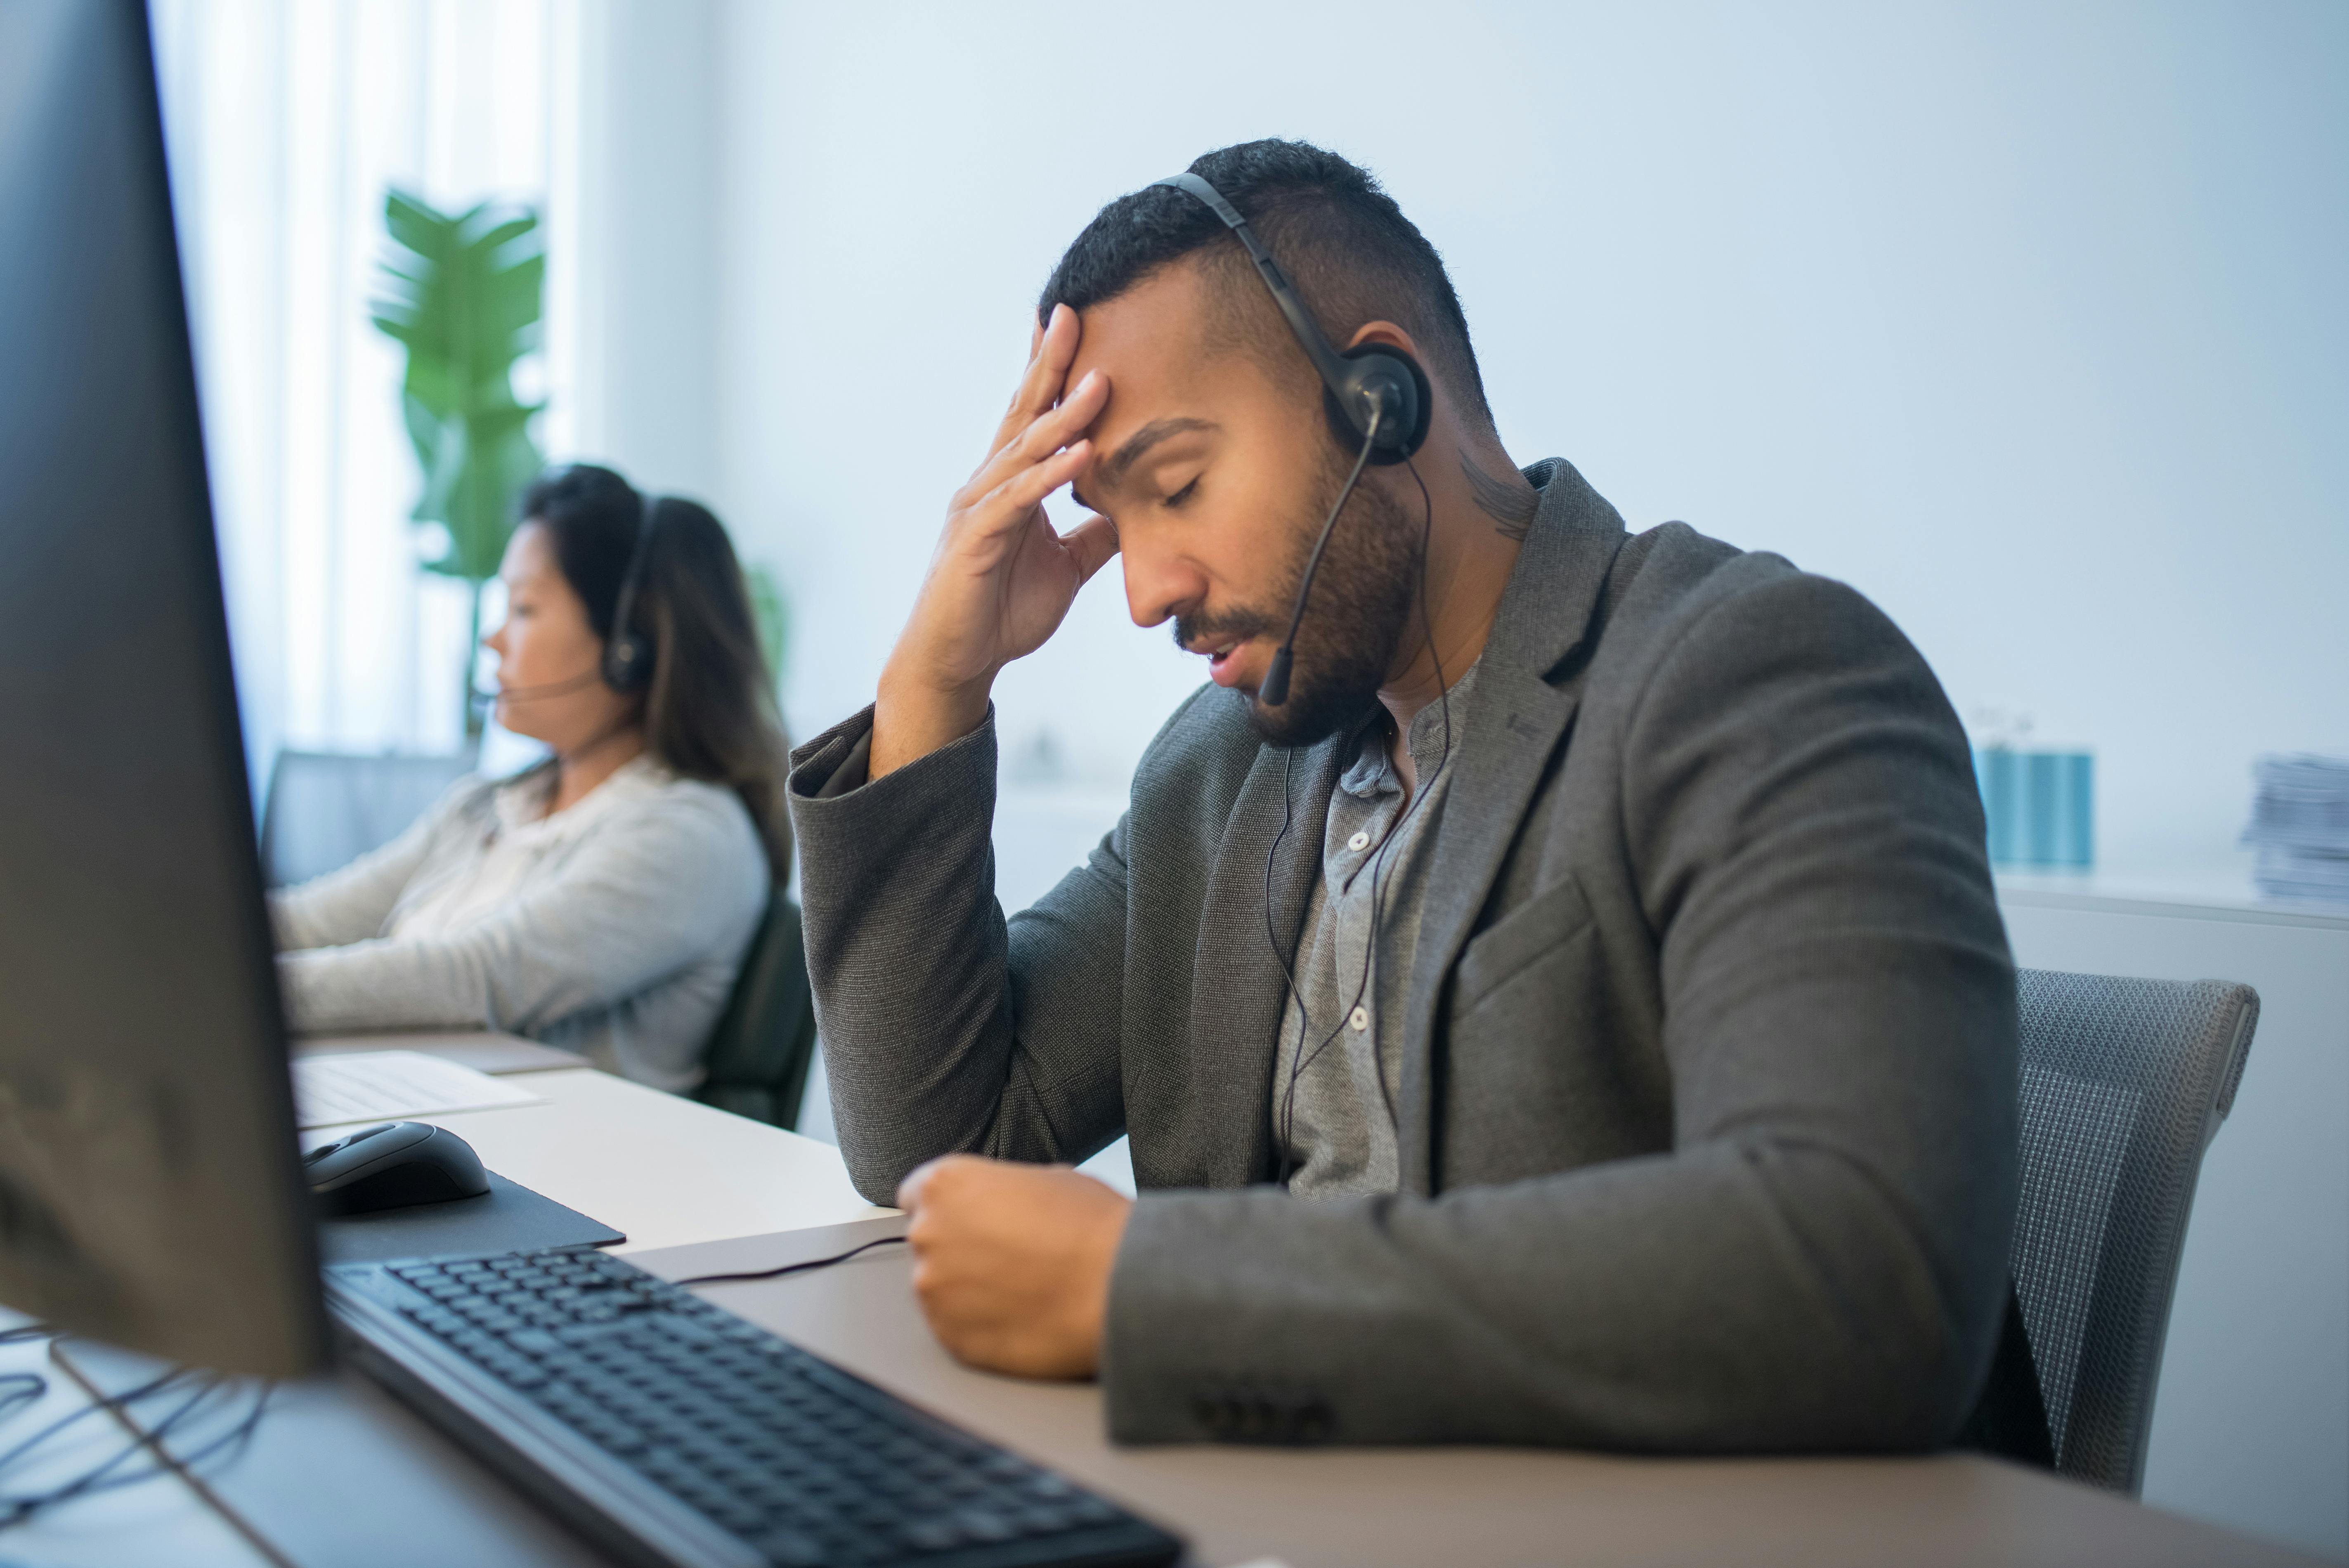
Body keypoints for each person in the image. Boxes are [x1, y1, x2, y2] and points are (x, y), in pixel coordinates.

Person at [788, 139, 2046, 1457]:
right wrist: (936, 681)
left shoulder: (1751, 671)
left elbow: (1863, 1273)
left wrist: (1153, 1293)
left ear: (1380, 395)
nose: (1145, 589)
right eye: (1115, 520)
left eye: (1176, 487)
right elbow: (935, 1135)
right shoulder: (1219, 772)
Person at [272, 465, 788, 1093]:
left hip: (540, 1165)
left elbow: (478, 979)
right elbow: (315, 922)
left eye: (523, 608)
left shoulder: (690, 834)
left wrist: (235, 987)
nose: (493, 639)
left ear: (631, 644)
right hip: (412, 1112)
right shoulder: (491, 808)